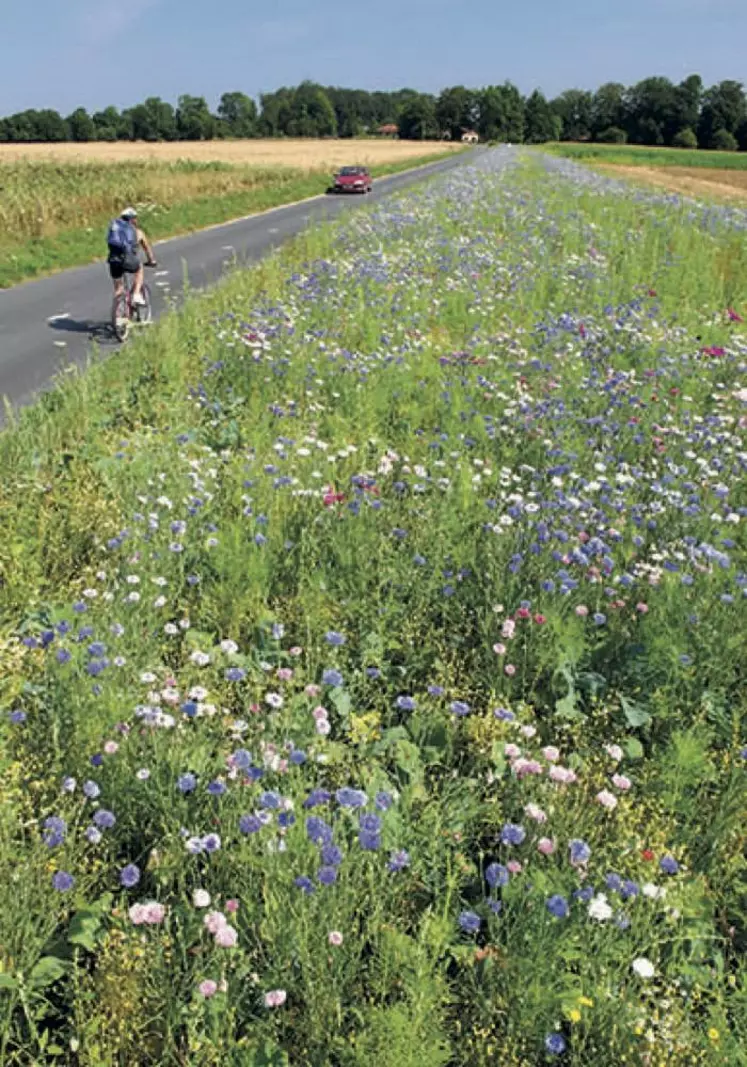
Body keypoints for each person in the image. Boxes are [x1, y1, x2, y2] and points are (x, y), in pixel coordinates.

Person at [107, 207, 156, 307]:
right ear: (133, 219)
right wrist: (151, 261)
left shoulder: (117, 230)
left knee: (119, 289)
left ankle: (118, 313)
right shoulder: (138, 232)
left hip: (114, 260)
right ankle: (137, 294)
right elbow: (147, 248)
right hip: (128, 259)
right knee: (139, 268)